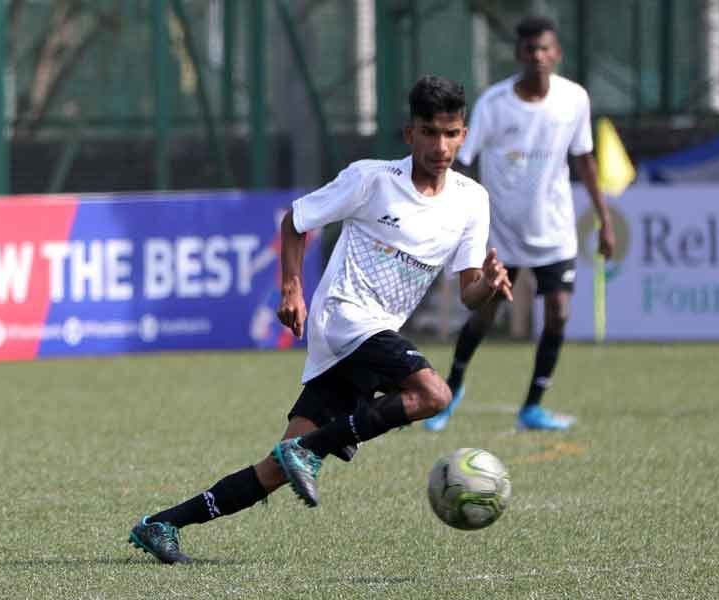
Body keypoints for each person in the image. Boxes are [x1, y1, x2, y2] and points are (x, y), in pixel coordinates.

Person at [127, 75, 513, 564]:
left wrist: (493, 289)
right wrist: (292, 288)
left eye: (451, 133)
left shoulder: (471, 200)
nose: (441, 145)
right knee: (433, 394)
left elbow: (470, 290)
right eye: (430, 132)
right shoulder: (372, 179)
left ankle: (162, 524)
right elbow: (296, 219)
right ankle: (309, 451)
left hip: (373, 339)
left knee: (274, 467)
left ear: (463, 133)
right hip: (344, 317)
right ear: (409, 133)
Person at [422, 16, 615, 433]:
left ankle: (533, 406)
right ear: (518, 55)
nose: (538, 57)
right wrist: (460, 219)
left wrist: (604, 219)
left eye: (545, 49)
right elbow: (464, 161)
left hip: (555, 231)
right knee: (484, 316)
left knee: (559, 313)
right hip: (501, 235)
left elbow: (583, 158)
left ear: (557, 53)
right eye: (530, 50)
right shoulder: (494, 103)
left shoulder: (574, 100)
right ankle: (450, 391)